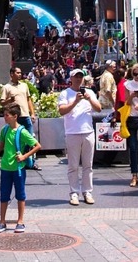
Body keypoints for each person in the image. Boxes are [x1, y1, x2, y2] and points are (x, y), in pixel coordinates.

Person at [0, 103, 41, 234]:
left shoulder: (22, 131)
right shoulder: (5, 130)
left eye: (7, 115)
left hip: (18, 168)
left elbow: (37, 145)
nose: (4, 118)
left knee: (20, 195)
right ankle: (2, 222)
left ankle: (20, 221)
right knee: (4, 195)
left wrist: (24, 156)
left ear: (15, 116)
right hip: (5, 167)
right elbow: (2, 144)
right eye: (4, 115)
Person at [57, 68, 101, 205]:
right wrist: (75, 101)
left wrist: (89, 99)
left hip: (88, 131)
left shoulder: (89, 92)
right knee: (73, 165)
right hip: (72, 132)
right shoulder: (65, 93)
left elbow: (99, 108)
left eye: (80, 76)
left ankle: (87, 191)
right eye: (76, 76)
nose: (78, 79)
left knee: (88, 165)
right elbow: (61, 111)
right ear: (71, 78)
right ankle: (74, 192)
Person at [1, 66, 38, 170]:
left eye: (20, 73)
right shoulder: (6, 87)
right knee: (15, 140)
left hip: (25, 115)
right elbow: (2, 102)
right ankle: (19, 160)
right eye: (17, 73)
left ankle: (29, 161)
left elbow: (28, 100)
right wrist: (9, 100)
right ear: (11, 74)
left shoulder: (24, 86)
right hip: (14, 118)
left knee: (30, 140)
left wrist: (32, 113)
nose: (20, 75)